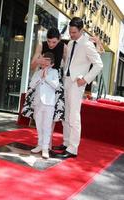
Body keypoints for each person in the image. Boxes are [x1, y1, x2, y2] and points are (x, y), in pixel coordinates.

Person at [52, 17, 103, 158]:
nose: (71, 34)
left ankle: (73, 149)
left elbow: (99, 64)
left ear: (81, 30)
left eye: (74, 32)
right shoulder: (71, 42)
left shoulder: (87, 44)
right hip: (67, 80)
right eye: (70, 31)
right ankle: (66, 143)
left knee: (74, 116)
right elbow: (69, 62)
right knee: (66, 114)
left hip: (77, 83)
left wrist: (85, 79)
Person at [31, 27, 67, 123]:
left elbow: (68, 66)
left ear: (59, 39)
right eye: (49, 41)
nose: (51, 44)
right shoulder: (41, 45)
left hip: (55, 79)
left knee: (54, 112)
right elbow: (32, 66)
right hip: (42, 77)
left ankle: (48, 137)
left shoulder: (64, 47)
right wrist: (38, 61)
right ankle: (42, 135)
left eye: (54, 42)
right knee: (38, 110)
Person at [30, 52, 59, 159]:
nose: (45, 64)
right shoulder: (37, 73)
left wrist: (46, 77)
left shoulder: (54, 72)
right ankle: (40, 145)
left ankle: (45, 148)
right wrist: (40, 78)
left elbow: (56, 85)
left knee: (47, 126)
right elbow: (31, 85)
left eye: (47, 62)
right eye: (43, 61)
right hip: (38, 103)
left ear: (51, 64)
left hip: (49, 103)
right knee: (39, 125)